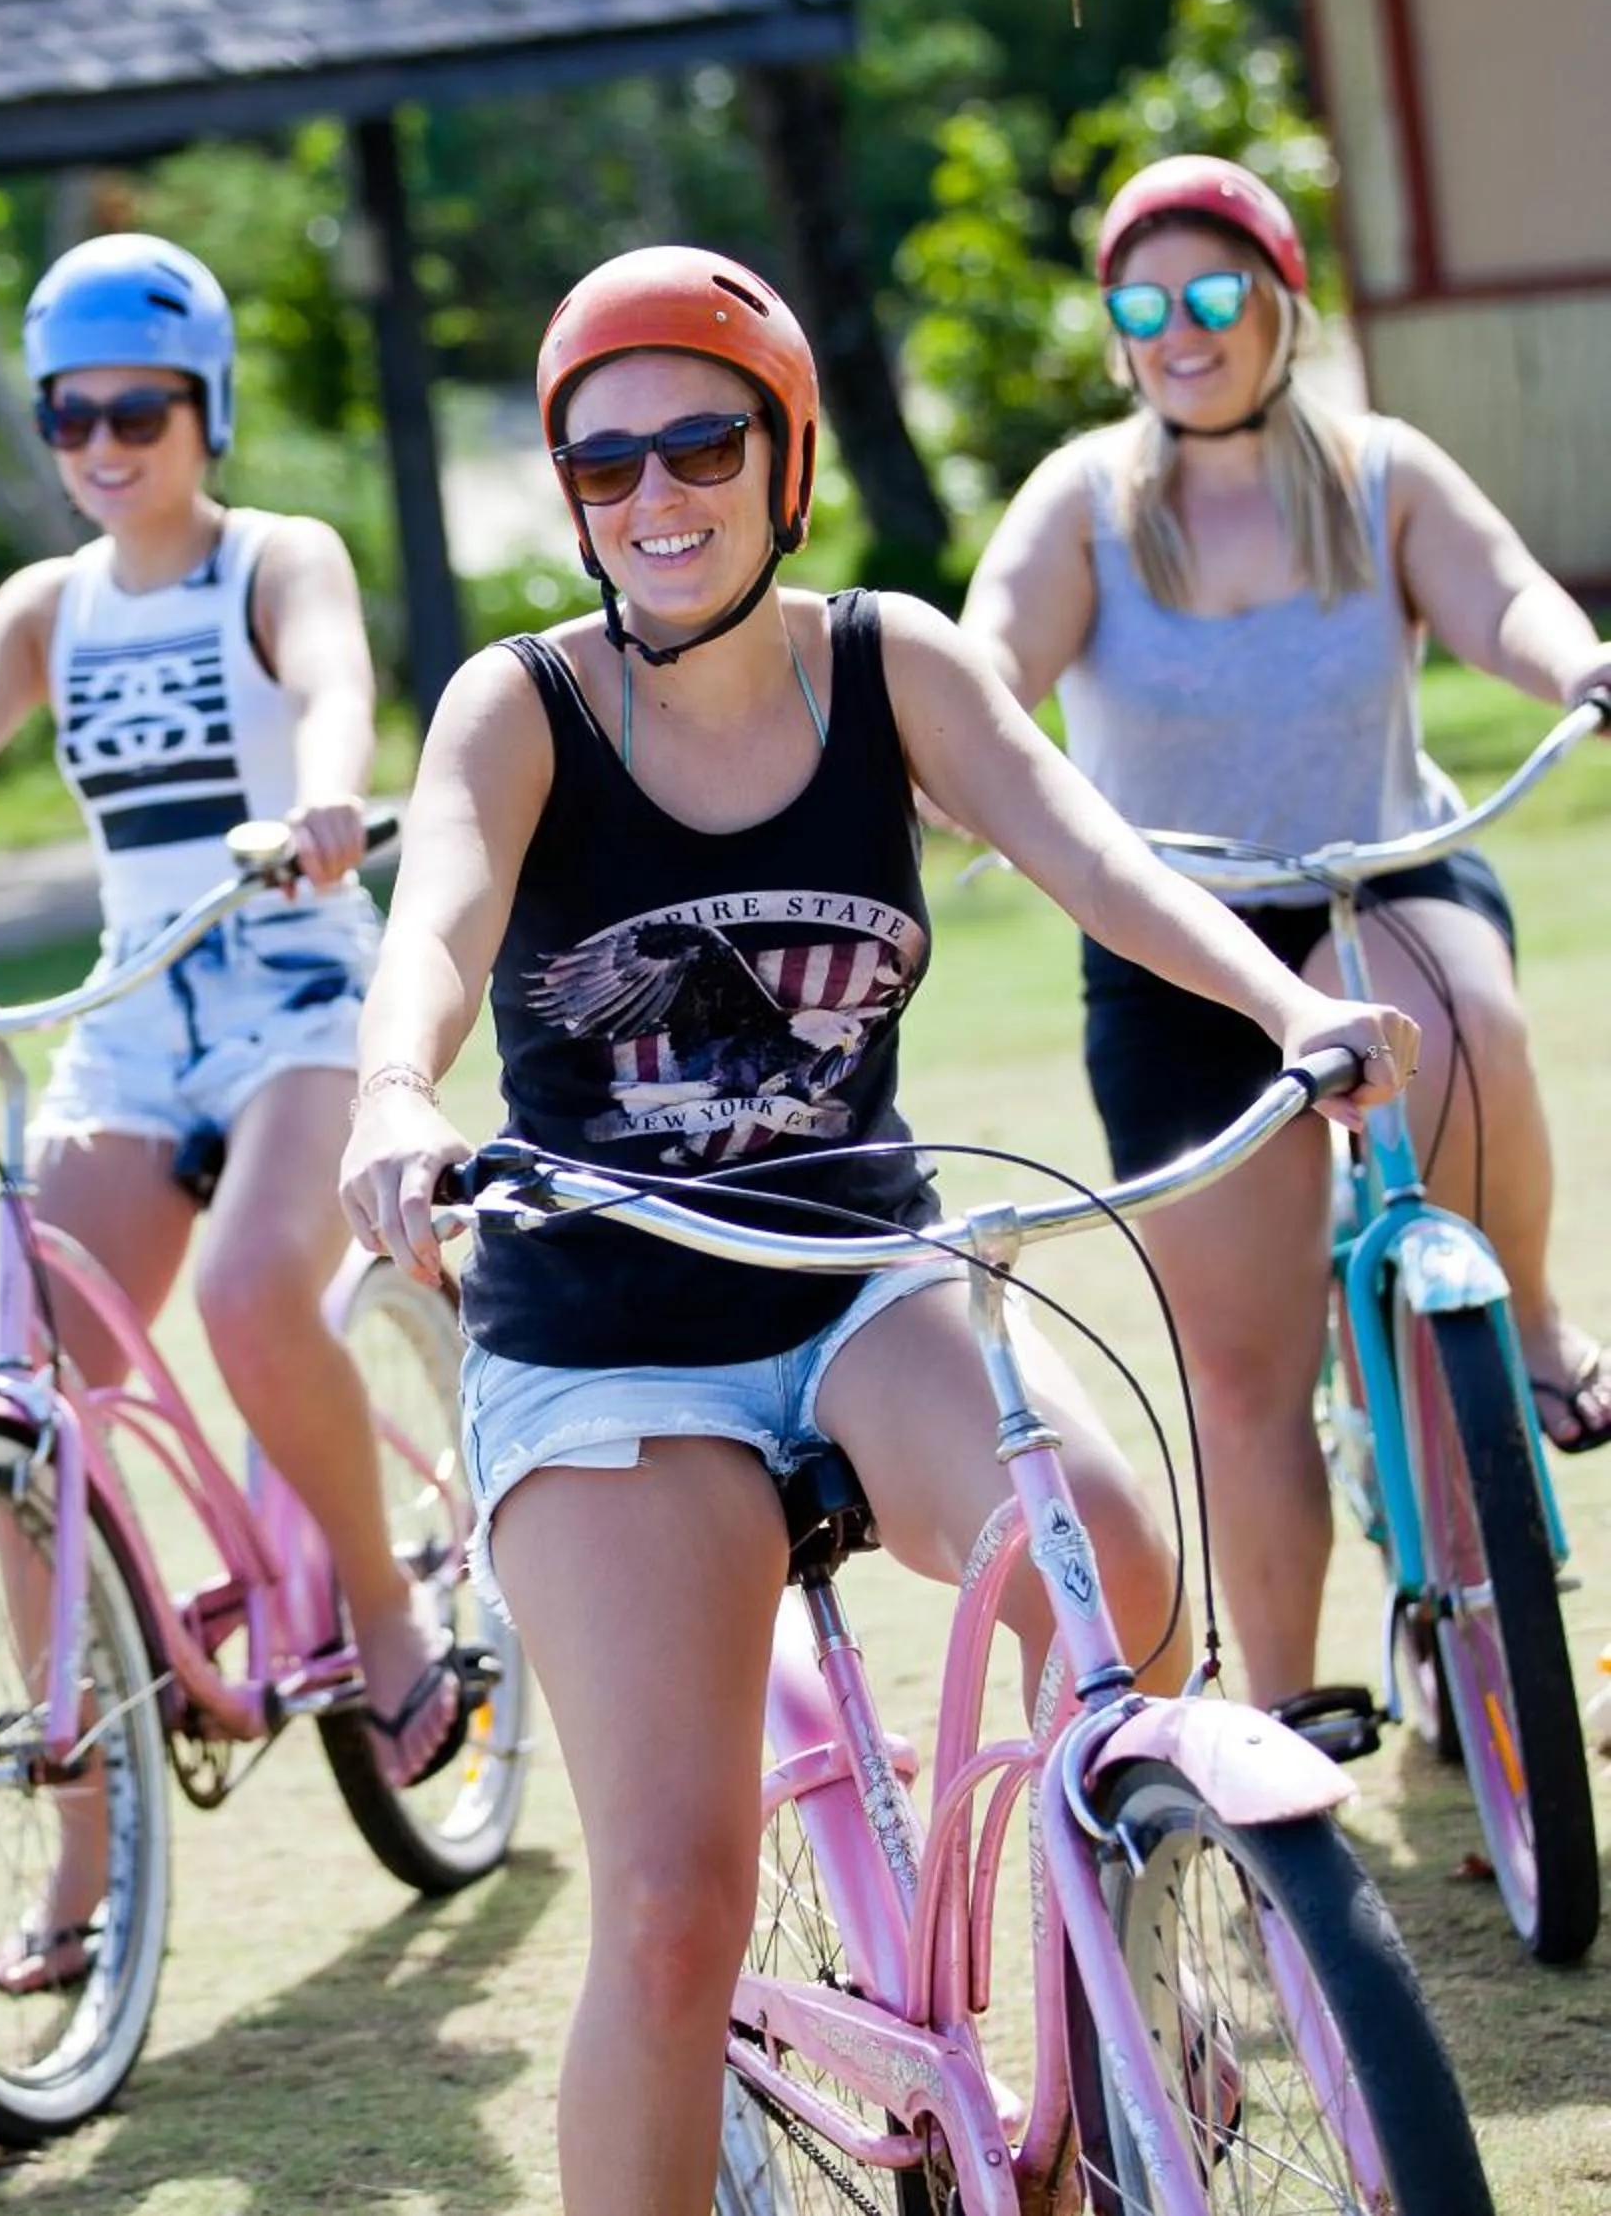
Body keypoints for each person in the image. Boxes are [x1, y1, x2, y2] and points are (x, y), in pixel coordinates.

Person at [339, 244, 1415, 2216]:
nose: (656, 497)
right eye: (605, 466)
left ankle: (1113, 2070)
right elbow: (438, 916)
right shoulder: (520, 708)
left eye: (701, 443)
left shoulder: (887, 665)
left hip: (861, 1283)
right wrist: (399, 1094)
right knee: (672, 1909)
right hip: (603, 1344)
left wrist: (1287, 1005)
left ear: (787, 456)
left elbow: (1085, 847)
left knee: (1122, 1574)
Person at [0, 232, 460, 1972]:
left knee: (263, 1285)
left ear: (205, 412)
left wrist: (329, 798)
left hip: (293, 993)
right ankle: (85, 1842)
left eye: (141, 410)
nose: (107, 446)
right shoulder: (50, 605)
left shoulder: (277, 558)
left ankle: (380, 1601)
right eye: (72, 418)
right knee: (29, 1395)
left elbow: (338, 678)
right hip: (125, 1022)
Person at [959, 152, 1611, 1731]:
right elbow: (985, 669)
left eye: (1212, 293)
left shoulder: (1379, 472)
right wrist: (944, 783)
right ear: (1115, 328)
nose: (1178, 330)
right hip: (1176, 929)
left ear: (1280, 302)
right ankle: (1296, 1698)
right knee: (1240, 1369)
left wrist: (1582, 666)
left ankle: (1518, 1307)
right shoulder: (1086, 506)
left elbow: (1504, 594)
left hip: (1375, 878)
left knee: (1465, 1026)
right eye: (1141, 302)